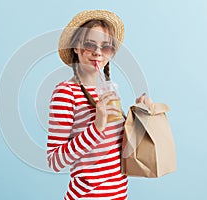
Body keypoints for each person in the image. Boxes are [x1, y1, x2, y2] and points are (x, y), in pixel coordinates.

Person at [47, 10, 153, 200]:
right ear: (76, 47)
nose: (97, 52)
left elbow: (118, 151)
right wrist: (97, 127)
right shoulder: (66, 92)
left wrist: (141, 117)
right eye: (89, 44)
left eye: (106, 47)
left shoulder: (109, 91)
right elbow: (55, 161)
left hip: (119, 195)